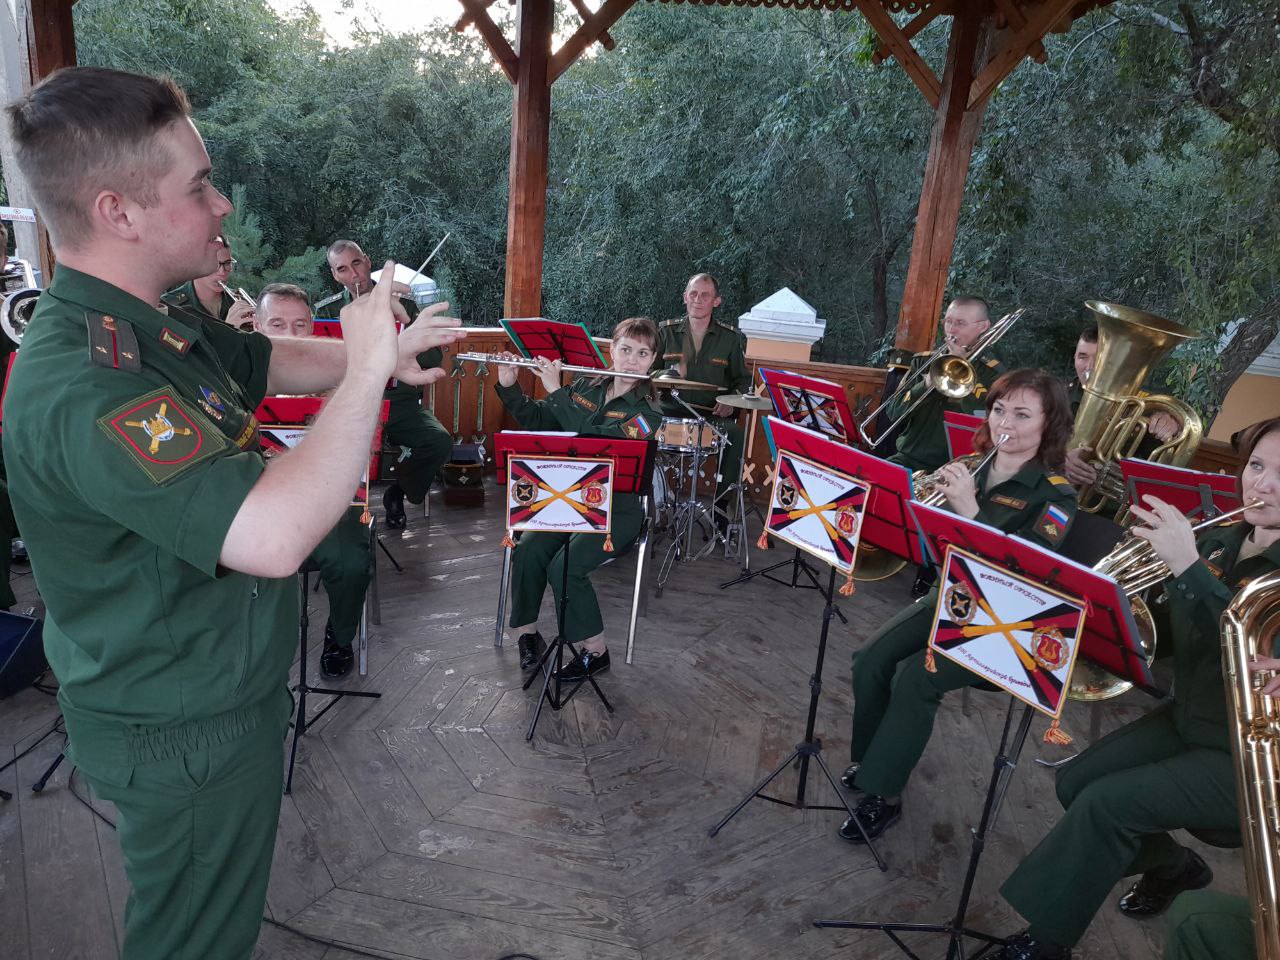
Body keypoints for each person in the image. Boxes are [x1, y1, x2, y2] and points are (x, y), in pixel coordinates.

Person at [1, 66, 464, 960]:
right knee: (193, 942)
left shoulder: (149, 326)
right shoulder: (88, 379)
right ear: (118, 212)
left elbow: (266, 364)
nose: (220, 207)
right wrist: (366, 372)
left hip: (220, 693)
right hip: (179, 728)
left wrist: (386, 352)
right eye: (199, 186)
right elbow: (272, 535)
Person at [987, 416, 1280, 960]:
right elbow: (1170, 637)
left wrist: (1188, 568)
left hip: (1247, 754)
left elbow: (1245, 652)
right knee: (1075, 784)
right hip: (1188, 717)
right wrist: (1108, 616)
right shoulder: (1222, 540)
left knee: (1106, 805)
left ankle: (1045, 942)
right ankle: (1174, 867)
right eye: (1258, 466)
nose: (1261, 485)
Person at [839, 368, 1078, 845]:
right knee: (870, 661)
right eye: (999, 409)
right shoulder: (971, 466)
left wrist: (971, 511)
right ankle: (873, 763)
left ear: (1048, 425)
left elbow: (1024, 575)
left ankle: (883, 796)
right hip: (952, 599)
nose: (1005, 421)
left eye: (1022, 413)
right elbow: (930, 542)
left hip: (1008, 626)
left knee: (914, 677)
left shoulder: (1056, 495)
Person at [497, 316, 661, 679]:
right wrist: (510, 387)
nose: (633, 360)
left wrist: (555, 389)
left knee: (565, 567)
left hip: (615, 511)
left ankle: (596, 652)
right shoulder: (586, 385)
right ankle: (528, 636)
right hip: (569, 499)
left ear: (653, 361)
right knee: (528, 549)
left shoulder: (649, 413)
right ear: (612, 351)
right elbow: (544, 422)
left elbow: (595, 442)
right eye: (626, 350)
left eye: (643, 353)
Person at [254, 282, 370, 679]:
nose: (289, 335)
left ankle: (340, 637)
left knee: (351, 563)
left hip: (327, 495)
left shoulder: (335, 374)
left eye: (300, 325)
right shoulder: (236, 372)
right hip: (257, 496)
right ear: (256, 325)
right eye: (277, 324)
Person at [318, 239, 452, 529]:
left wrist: (404, 333)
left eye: (357, 263)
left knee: (439, 440)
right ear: (334, 275)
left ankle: (397, 492)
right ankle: (342, 521)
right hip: (349, 404)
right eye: (342, 269)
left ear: (367, 261)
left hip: (398, 403)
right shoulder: (329, 314)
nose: (353, 274)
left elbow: (433, 357)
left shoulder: (404, 305)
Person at [651, 273, 751, 520]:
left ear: (716, 301)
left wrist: (731, 402)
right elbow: (647, 371)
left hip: (709, 415)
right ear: (685, 297)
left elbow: (743, 381)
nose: (698, 299)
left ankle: (721, 508)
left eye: (705, 295)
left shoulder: (730, 338)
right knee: (637, 423)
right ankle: (648, 498)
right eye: (693, 294)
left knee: (736, 434)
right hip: (669, 409)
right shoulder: (666, 332)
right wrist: (668, 373)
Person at [886, 296, 1007, 473]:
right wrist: (926, 383)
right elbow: (893, 412)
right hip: (907, 459)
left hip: (961, 468)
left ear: (983, 327)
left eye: (960, 323)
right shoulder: (923, 362)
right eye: (948, 321)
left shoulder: (994, 374)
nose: (951, 330)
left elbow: (987, 422)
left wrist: (966, 376)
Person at [161, 235, 239, 322]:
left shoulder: (239, 300)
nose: (222, 272)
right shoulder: (168, 305)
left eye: (227, 263)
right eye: (213, 264)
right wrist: (231, 329)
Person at [1065, 325, 1098, 415]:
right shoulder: (1059, 398)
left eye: (1099, 359)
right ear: (1074, 357)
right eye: (1083, 357)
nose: (1089, 367)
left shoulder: (1130, 407)